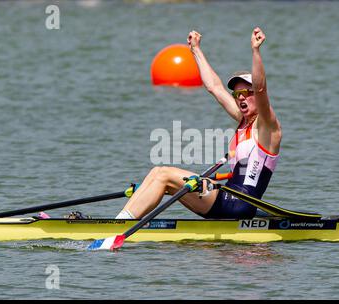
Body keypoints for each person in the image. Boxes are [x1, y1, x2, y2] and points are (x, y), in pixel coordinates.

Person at [116, 27, 281, 220]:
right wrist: (195, 50)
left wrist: (255, 51)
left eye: (247, 93)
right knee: (157, 172)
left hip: (240, 204)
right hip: (227, 198)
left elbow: (261, 88)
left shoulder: (268, 127)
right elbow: (214, 87)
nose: (241, 98)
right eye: (237, 94)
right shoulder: (243, 121)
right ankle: (120, 220)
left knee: (164, 175)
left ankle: (118, 225)